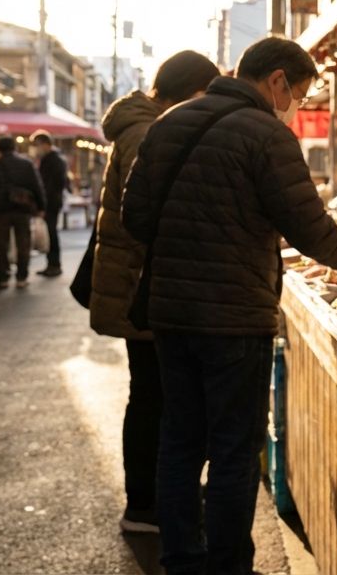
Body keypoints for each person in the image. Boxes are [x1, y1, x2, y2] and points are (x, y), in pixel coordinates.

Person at [122, 37, 337, 575]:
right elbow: (310, 230)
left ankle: (180, 561)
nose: (294, 103)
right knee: (232, 449)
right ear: (276, 80)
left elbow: (136, 217)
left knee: (179, 441)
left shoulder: (170, 123)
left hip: (171, 314)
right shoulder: (267, 134)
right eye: (296, 92)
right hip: (233, 319)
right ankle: (228, 566)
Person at [89, 50, 221, 536]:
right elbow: (151, 216)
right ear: (190, 91)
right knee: (155, 399)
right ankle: (147, 506)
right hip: (144, 288)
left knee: (152, 397)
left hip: (139, 285)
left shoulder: (142, 124)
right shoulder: (148, 132)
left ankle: (151, 501)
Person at [0, 136, 46, 289]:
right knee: (23, 243)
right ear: (14, 147)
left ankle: (2, 277)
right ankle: (21, 277)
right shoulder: (26, 164)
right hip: (22, 210)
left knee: (1, 244)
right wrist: (41, 207)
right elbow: (37, 187)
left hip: (0, 212)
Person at [30, 131, 70, 277]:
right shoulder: (51, 159)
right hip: (51, 202)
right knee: (50, 233)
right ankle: (52, 264)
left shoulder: (54, 160)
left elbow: (52, 185)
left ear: (45, 144)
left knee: (51, 233)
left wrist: (43, 205)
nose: (36, 149)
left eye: (37, 145)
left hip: (51, 203)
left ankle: (54, 264)